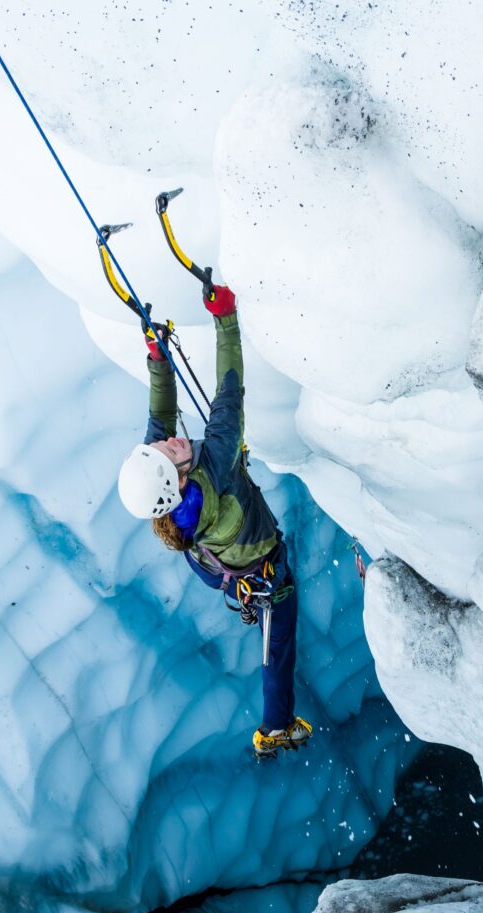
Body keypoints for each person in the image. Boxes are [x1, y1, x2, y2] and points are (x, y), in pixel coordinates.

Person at [117, 284, 312, 757]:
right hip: (260, 570)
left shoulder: (164, 479)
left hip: (213, 567)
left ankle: (277, 723)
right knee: (278, 640)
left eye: (162, 447)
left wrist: (157, 357)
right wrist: (225, 318)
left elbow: (160, 415)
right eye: (170, 452)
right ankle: (276, 727)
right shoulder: (217, 464)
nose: (170, 442)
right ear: (181, 480)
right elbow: (229, 394)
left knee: (274, 632)